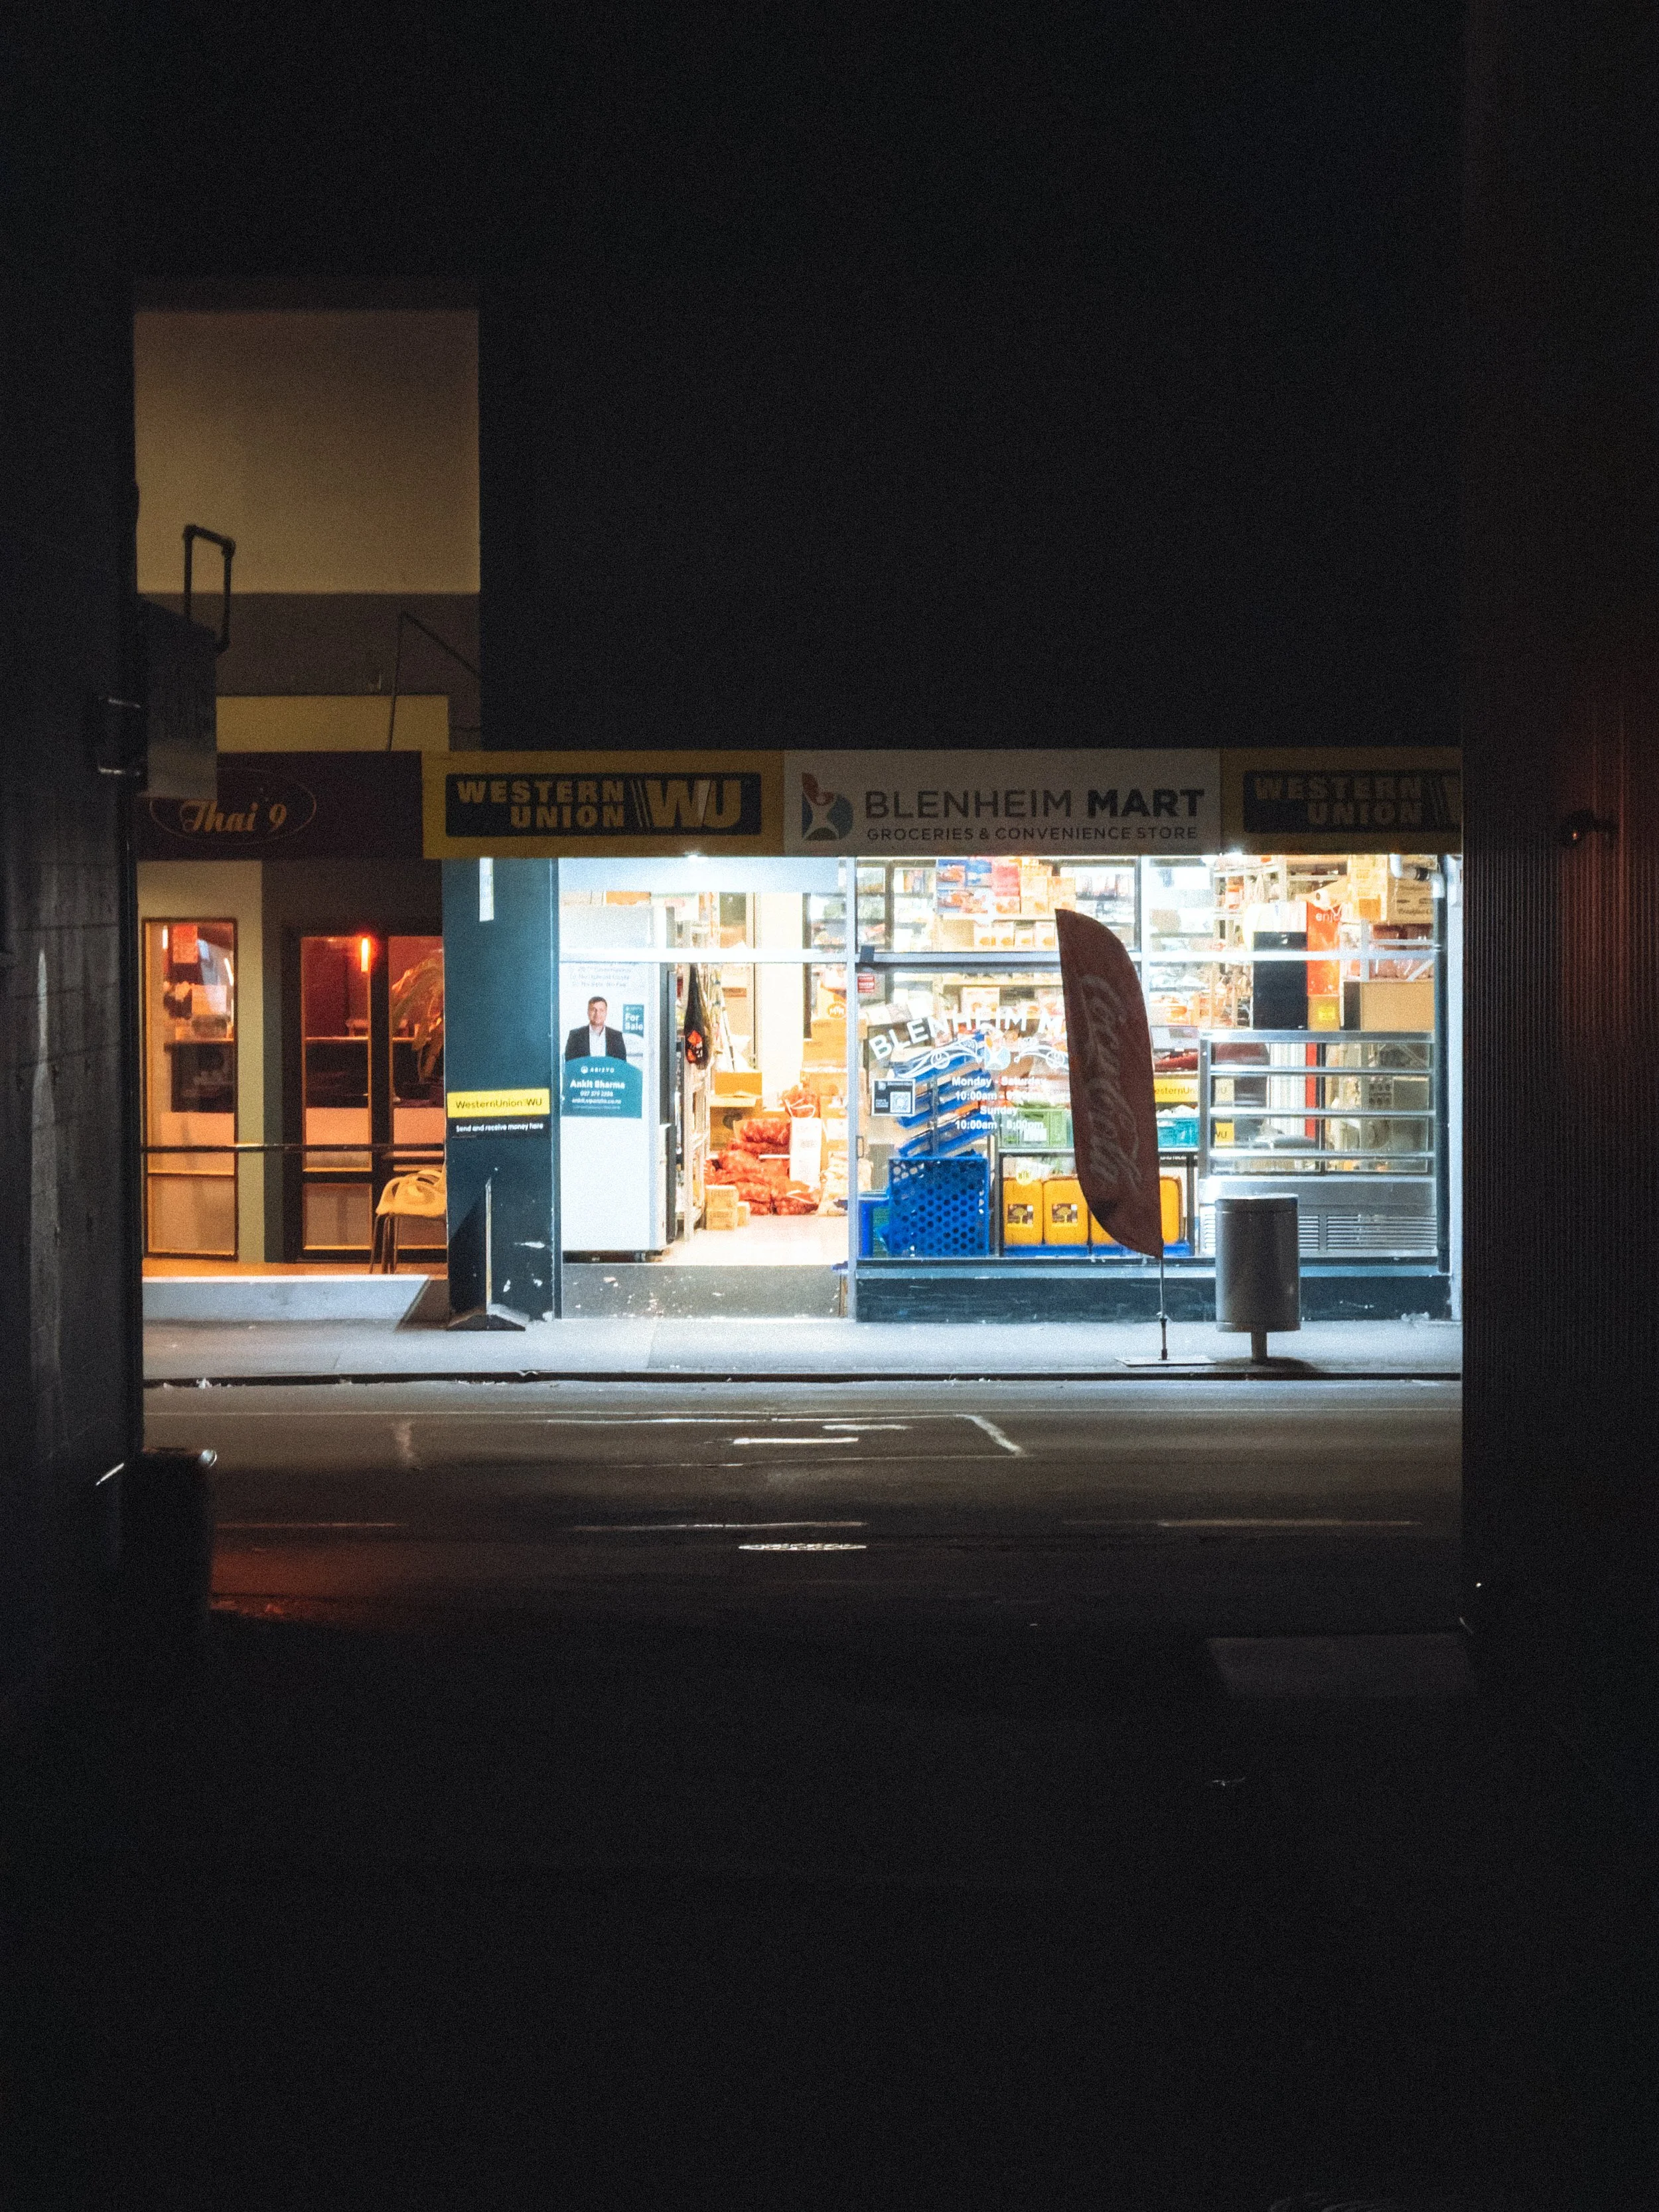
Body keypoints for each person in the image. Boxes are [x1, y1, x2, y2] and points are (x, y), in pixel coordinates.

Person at [565, 994, 626, 1061]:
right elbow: (570, 1063)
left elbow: (622, 1064)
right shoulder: (575, 1036)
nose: (597, 1014)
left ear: (606, 1013)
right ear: (588, 1012)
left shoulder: (616, 1036)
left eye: (601, 1010)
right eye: (593, 1010)